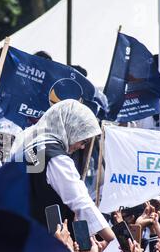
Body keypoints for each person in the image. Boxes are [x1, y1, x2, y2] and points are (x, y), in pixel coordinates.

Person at [10, 99, 115, 243]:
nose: (82, 147)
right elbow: (80, 203)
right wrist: (112, 240)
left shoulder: (25, 142)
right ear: (71, 128)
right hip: (47, 245)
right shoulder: (56, 158)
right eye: (83, 140)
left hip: (22, 236)